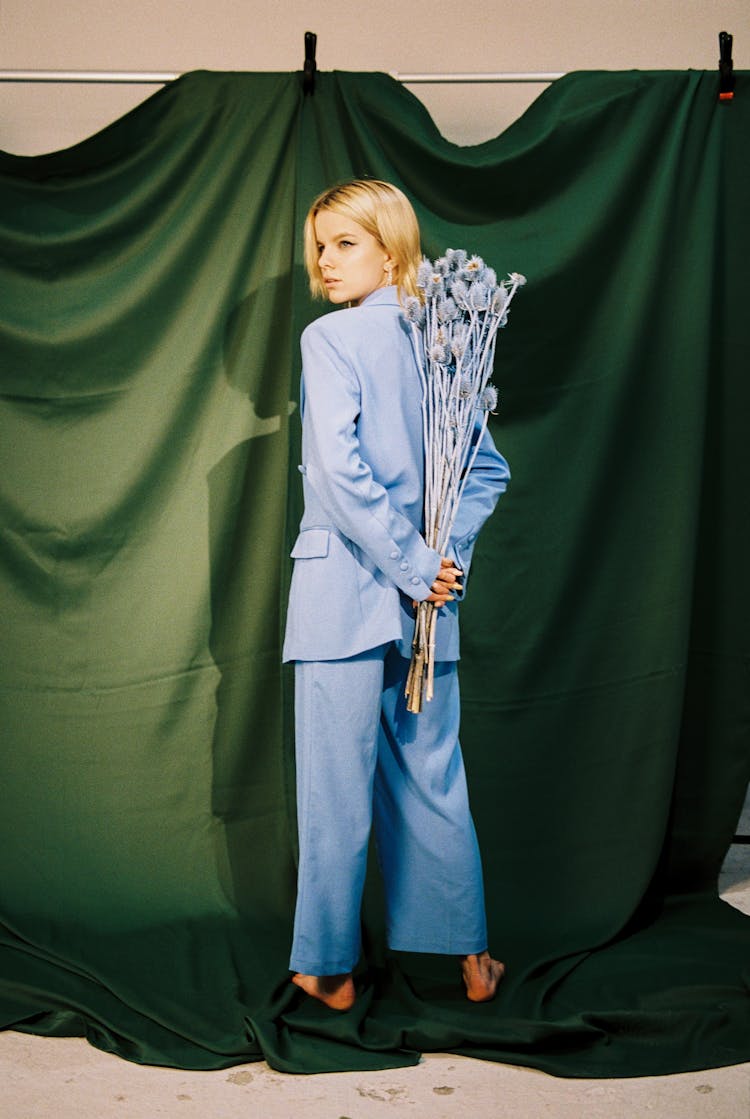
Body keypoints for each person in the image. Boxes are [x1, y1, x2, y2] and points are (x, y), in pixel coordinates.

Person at [282, 179, 510, 1011]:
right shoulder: (451, 340)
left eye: (344, 241)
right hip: (427, 610)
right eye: (319, 244)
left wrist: (417, 564)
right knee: (432, 776)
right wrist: (440, 565)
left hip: (344, 599)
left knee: (335, 790)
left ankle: (326, 968)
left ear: (391, 245)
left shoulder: (330, 339)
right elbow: (484, 471)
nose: (325, 260)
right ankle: (475, 961)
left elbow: (341, 477)